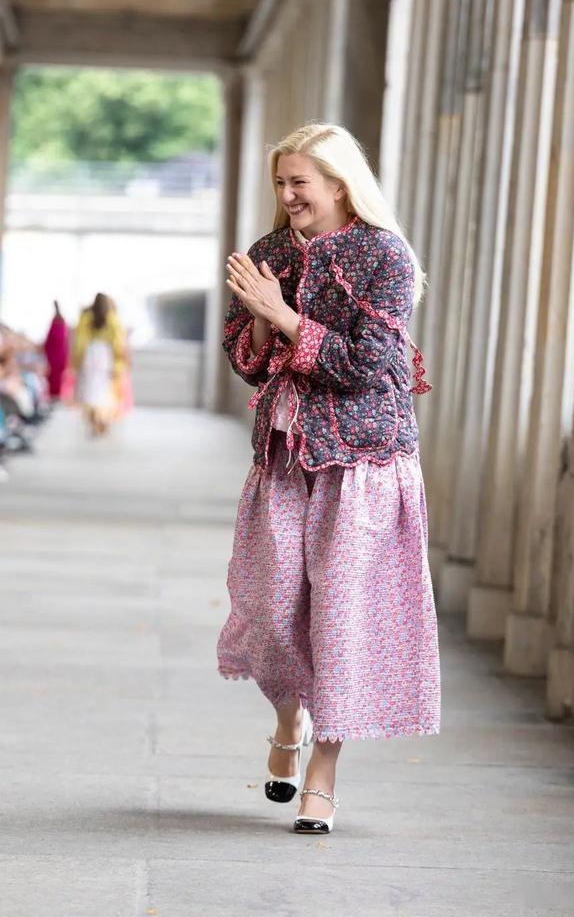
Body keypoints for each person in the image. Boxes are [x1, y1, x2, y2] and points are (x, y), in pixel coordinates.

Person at [217, 123, 441, 835]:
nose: (287, 195)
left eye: (300, 183)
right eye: (280, 183)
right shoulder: (268, 252)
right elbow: (245, 359)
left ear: (340, 186)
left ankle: (324, 771)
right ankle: (290, 719)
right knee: (273, 610)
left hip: (364, 463)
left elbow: (367, 366)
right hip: (284, 455)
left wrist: (282, 313)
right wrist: (260, 320)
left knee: (343, 620)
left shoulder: (386, 256)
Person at [73, 293, 125, 437]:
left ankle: (94, 420)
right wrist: (118, 363)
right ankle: (102, 419)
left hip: (90, 356)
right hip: (105, 357)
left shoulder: (86, 318)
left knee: (90, 390)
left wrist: (77, 361)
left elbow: (80, 342)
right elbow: (118, 343)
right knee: (104, 391)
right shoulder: (112, 319)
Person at [43, 301, 70, 401]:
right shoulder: (63, 323)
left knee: (54, 377)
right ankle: (56, 396)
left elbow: (49, 340)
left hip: (54, 356)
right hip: (61, 355)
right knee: (57, 378)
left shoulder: (55, 322)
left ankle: (54, 396)